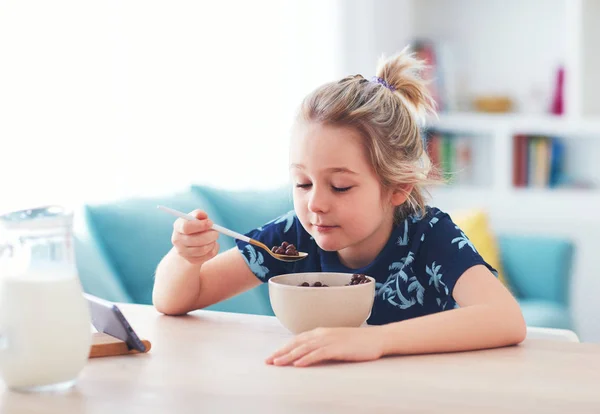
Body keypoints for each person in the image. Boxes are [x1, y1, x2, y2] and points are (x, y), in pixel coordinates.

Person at [153, 47, 526, 367]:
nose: (315, 202)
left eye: (341, 186)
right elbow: (175, 301)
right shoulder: (291, 238)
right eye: (302, 183)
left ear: (398, 187)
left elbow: (505, 319)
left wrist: (375, 341)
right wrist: (186, 258)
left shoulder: (430, 235)